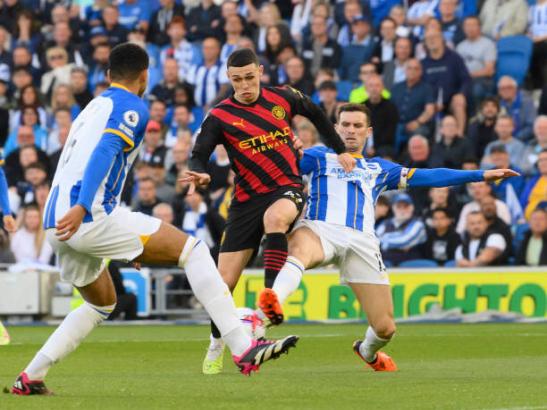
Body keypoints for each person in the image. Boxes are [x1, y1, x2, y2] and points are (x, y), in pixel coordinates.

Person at [11, 43, 299, 396]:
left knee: (101, 303)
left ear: (107, 76)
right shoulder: (132, 106)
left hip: (57, 222)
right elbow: (106, 149)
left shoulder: (91, 106)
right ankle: (243, 348)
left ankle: (31, 376)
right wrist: (85, 206)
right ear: (145, 75)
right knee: (194, 252)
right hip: (87, 215)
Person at [257, 103, 517, 372]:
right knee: (299, 250)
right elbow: (275, 163)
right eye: (345, 125)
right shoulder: (319, 156)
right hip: (320, 229)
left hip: (362, 242)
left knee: (385, 328)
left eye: (357, 126)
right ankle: (270, 304)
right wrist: (284, 146)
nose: (350, 131)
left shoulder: (379, 168)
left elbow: (430, 176)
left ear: (368, 131)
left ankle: (366, 351)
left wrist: (480, 175)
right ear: (335, 128)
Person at [185, 48, 354, 375]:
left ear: (260, 71)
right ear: (228, 78)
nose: (245, 84)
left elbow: (317, 114)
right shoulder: (220, 115)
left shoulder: (284, 97)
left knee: (275, 219)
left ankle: (269, 300)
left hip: (285, 187)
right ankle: (216, 342)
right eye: (237, 79)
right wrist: (200, 172)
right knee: (223, 285)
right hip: (245, 200)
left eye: (250, 77)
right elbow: (199, 152)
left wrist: (340, 149)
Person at [376, 193, 427, 266]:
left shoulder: (418, 224)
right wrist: (399, 236)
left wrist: (385, 239)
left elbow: (404, 241)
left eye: (406, 206)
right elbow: (375, 241)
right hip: (386, 264)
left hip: (411, 267)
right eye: (399, 206)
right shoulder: (385, 223)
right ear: (393, 208)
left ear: (412, 208)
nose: (402, 210)